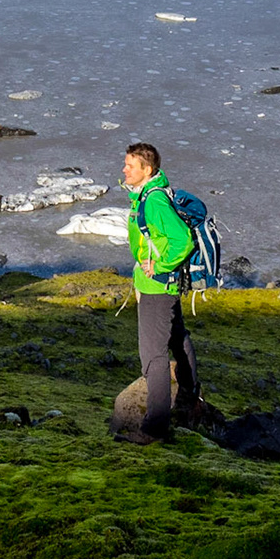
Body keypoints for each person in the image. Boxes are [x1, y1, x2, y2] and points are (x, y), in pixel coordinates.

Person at [118, 141, 201, 445]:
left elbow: (183, 240)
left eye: (130, 165)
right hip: (161, 285)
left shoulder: (153, 201)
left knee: (153, 357)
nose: (124, 169)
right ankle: (191, 395)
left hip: (158, 287)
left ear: (147, 169)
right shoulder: (146, 194)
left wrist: (159, 266)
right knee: (177, 336)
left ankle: (155, 429)